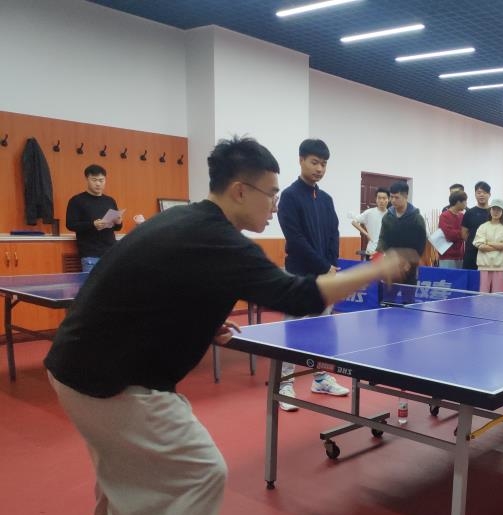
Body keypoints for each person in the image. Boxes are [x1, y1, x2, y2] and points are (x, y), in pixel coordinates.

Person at [43, 136, 415, 515]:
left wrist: (200, 323)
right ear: (240, 191)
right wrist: (377, 268)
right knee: (202, 473)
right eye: (270, 194)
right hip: (109, 380)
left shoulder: (184, 220)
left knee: (126, 478)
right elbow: (299, 296)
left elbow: (153, 287)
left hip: (73, 364)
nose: (275, 206)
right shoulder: (219, 241)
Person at [277, 139, 349, 411]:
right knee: (293, 330)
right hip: (298, 275)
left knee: (322, 330)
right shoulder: (290, 196)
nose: (319, 168)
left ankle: (320, 378)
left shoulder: (326, 199)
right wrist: (324, 266)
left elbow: (333, 234)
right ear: (301, 161)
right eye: (314, 162)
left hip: (325, 276)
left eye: (324, 164)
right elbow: (295, 239)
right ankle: (285, 383)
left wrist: (332, 264)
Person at [65, 164, 123, 272]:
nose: (98, 183)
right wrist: (93, 224)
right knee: (92, 283)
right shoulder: (77, 200)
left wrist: (118, 222)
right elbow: (70, 224)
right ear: (87, 179)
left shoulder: (110, 200)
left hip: (111, 252)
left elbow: (117, 228)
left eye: (101, 180)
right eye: (94, 180)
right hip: (90, 254)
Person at [377, 181, 427, 303]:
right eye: (391, 197)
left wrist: (410, 262)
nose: (393, 200)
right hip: (391, 265)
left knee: (408, 302)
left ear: (405, 197)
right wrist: (379, 252)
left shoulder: (416, 218)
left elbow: (421, 243)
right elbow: (383, 238)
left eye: (396, 197)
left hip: (409, 267)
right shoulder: (388, 217)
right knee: (387, 301)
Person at [473, 198, 503, 293]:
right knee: (482, 294)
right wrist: (498, 246)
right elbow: (480, 246)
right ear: (490, 210)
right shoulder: (483, 227)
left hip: (500, 266)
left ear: (502, 212)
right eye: (494, 209)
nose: (496, 212)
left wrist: (488, 242)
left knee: (498, 295)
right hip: (483, 265)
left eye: (498, 210)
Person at [351, 187, 389, 258]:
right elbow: (354, 222)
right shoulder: (369, 212)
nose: (381, 201)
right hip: (372, 251)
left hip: (387, 253)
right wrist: (366, 234)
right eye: (379, 198)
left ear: (388, 199)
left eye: (384, 198)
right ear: (376, 199)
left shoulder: (391, 214)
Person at [461, 181, 492, 270]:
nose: (481, 195)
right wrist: (475, 243)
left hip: (489, 254)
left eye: (484, 192)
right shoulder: (469, 213)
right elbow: (464, 234)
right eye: (479, 192)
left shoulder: (494, 213)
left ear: (489, 194)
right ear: (475, 194)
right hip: (471, 254)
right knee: (470, 277)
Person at [437, 189, 467, 268]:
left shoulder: (462, 216)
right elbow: (449, 235)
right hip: (447, 256)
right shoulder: (444, 216)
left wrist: (462, 233)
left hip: (460, 255)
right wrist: (463, 233)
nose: (466, 204)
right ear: (458, 202)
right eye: (465, 201)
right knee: (447, 276)